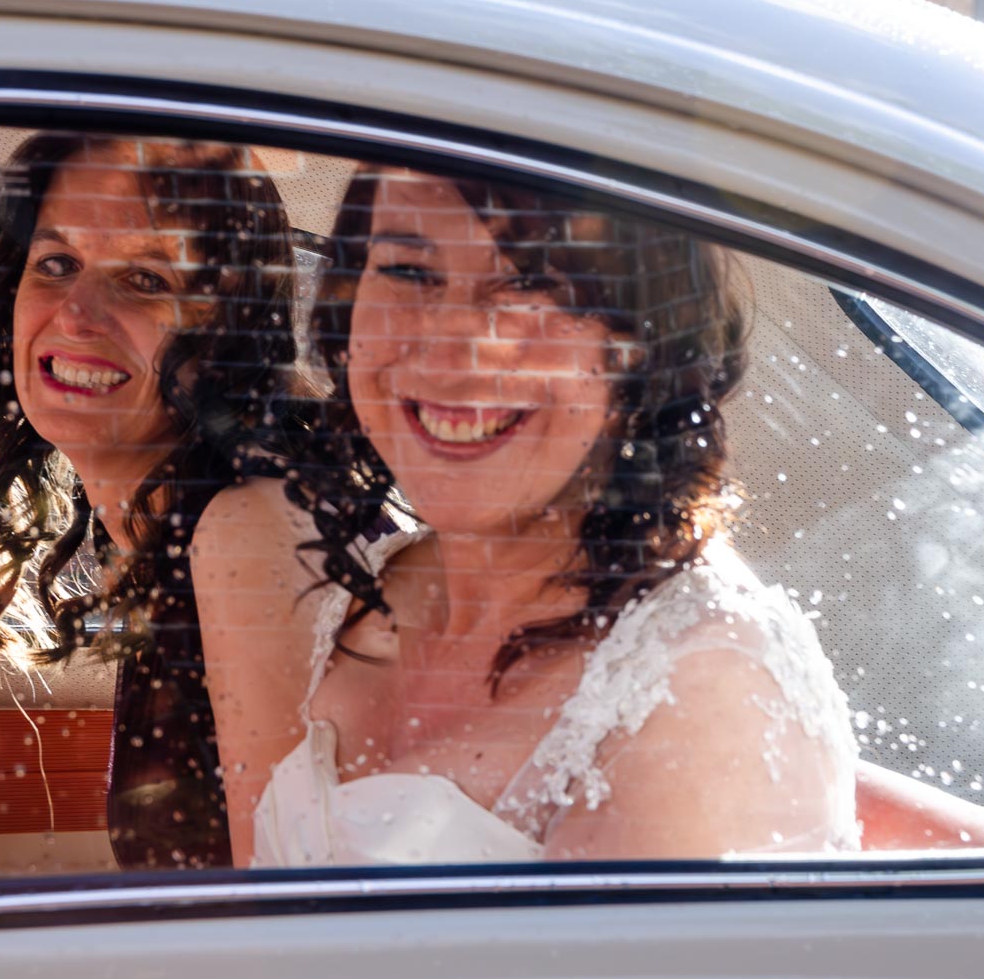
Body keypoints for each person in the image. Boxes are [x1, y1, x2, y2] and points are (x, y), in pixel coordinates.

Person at [193, 167, 860, 867]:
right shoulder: (378, 592)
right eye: (410, 271)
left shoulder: (701, 687)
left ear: (648, 344)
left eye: (533, 283)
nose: (450, 348)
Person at [0, 132, 294, 868]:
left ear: (228, 333)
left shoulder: (248, 532)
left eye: (146, 280)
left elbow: (280, 912)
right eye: (58, 264)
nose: (75, 314)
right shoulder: (163, 542)